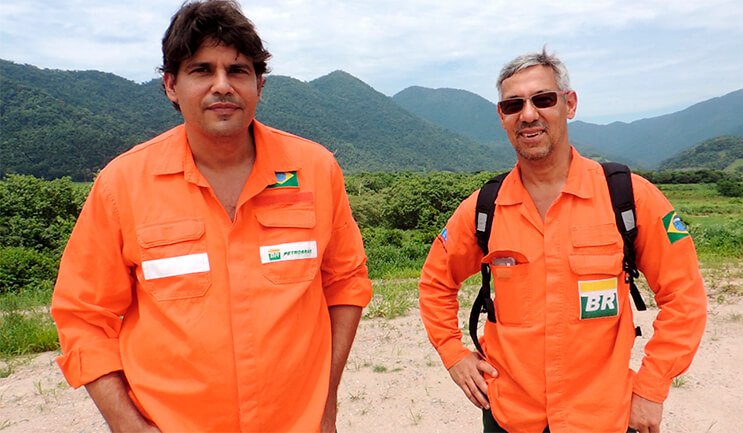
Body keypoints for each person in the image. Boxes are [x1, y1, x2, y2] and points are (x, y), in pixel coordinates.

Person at [50, 1, 372, 431]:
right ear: (170, 85)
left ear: (259, 84)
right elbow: (83, 315)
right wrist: (126, 424)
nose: (222, 85)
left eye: (237, 71)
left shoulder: (315, 169)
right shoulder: (122, 184)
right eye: (202, 70)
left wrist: (325, 400)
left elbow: (345, 283)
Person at [418, 48, 707, 433]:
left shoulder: (628, 197)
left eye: (543, 99)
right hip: (511, 416)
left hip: (605, 417)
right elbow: (435, 282)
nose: (528, 114)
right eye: (513, 105)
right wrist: (453, 354)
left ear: (569, 104)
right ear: (501, 117)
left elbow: (684, 297)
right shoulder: (483, 208)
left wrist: (652, 388)